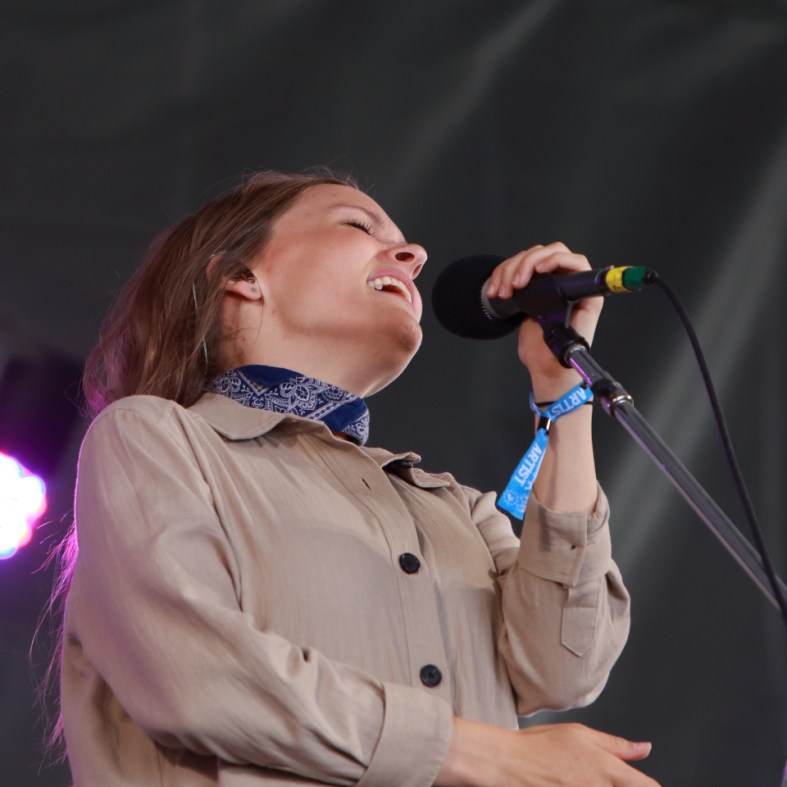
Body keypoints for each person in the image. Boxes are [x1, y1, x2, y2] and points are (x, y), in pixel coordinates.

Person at [54, 169, 659, 785]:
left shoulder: (459, 510)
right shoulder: (156, 437)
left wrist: (564, 395)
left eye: (405, 243)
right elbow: (190, 675)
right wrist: (485, 754)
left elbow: (565, 667)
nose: (415, 255)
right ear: (240, 276)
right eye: (359, 225)